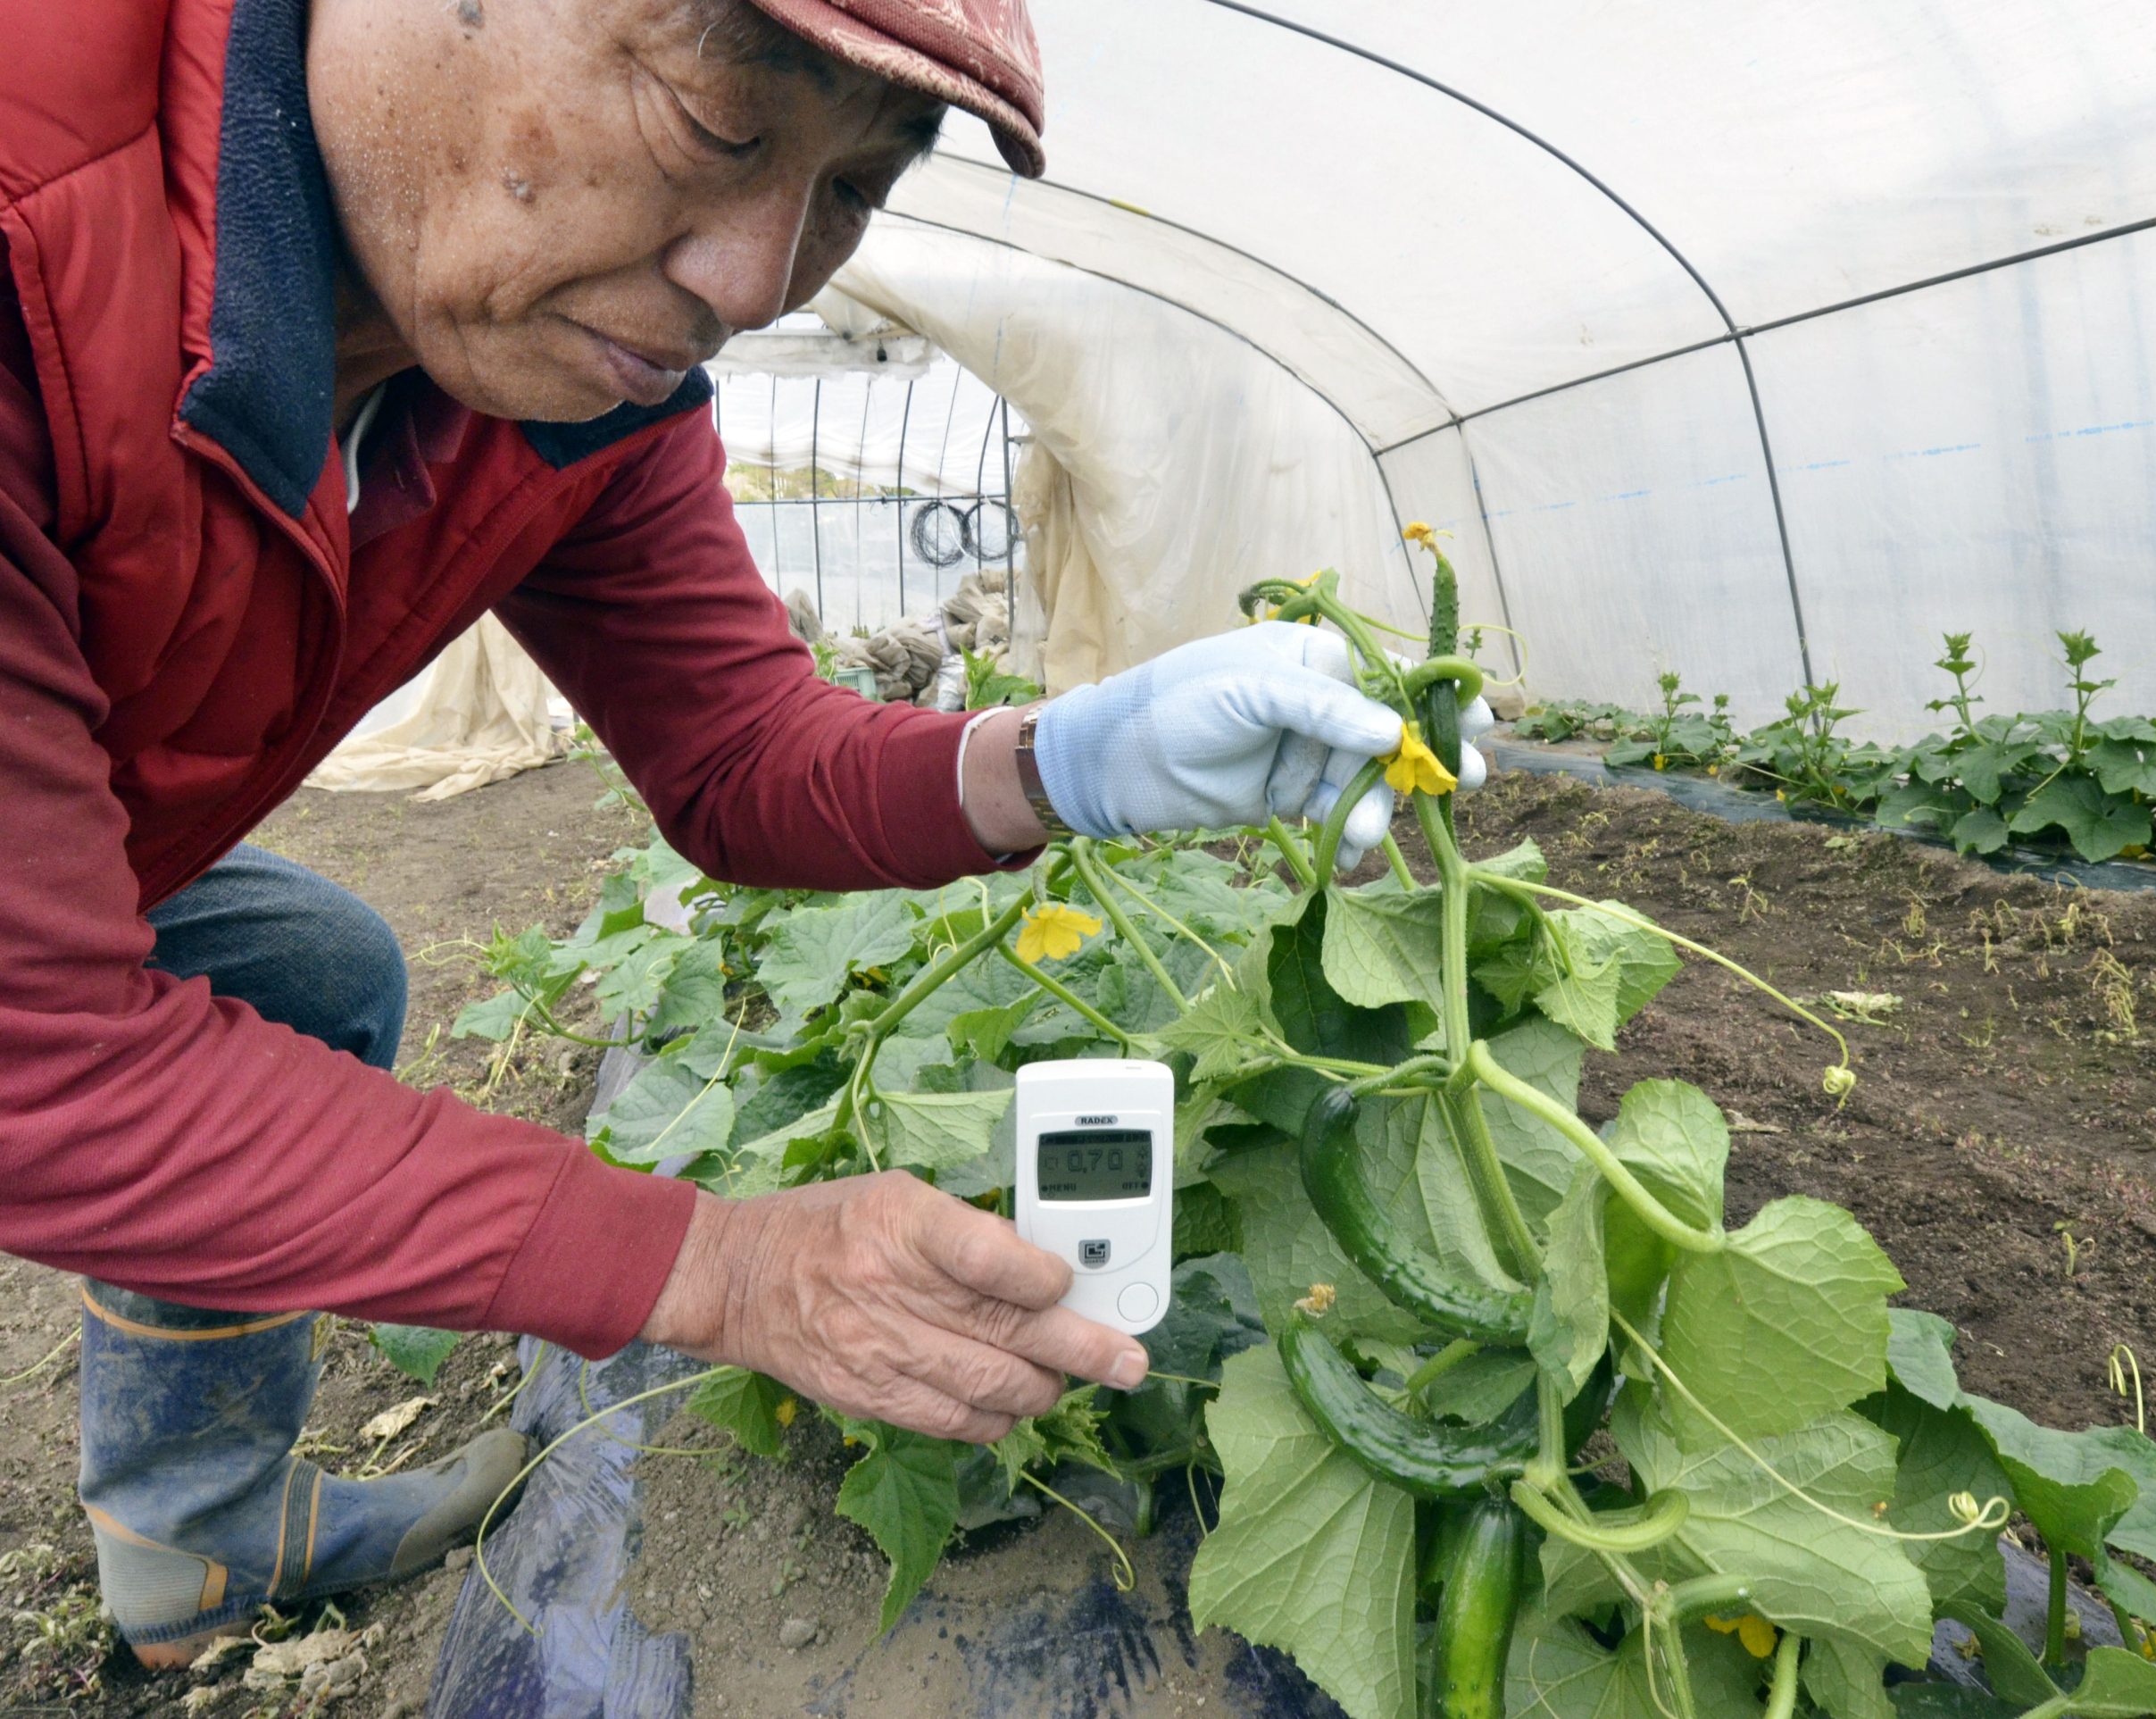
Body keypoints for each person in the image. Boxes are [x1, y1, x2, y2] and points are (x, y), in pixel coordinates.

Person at [0, 0, 1490, 1667]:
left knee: (303, 963)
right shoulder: (33, 226)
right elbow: (35, 1057)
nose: (756, 277)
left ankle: (194, 1550)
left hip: (116, 845)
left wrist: (1062, 763)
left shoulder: (557, 374)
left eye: (854, 189)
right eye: (720, 125)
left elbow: (743, 752)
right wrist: (716, 1264)